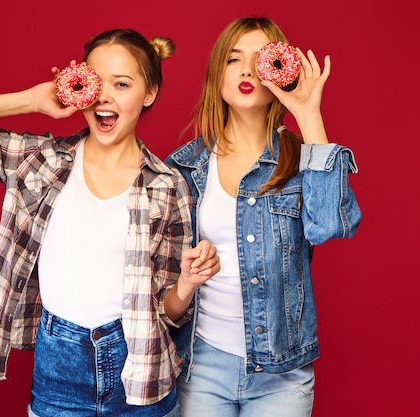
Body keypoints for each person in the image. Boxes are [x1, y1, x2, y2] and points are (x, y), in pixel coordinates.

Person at [0, 28, 219, 417]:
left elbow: (167, 312)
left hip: (141, 372)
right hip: (58, 366)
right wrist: (33, 99)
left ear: (149, 93)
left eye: (122, 83)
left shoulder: (167, 186)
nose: (105, 97)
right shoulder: (39, 161)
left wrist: (188, 284)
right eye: (97, 83)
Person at [165, 17, 362, 417]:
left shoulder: (299, 160)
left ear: (280, 72)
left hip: (282, 373)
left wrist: (308, 115)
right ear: (216, 75)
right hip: (201, 365)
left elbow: (331, 226)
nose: (247, 70)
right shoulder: (184, 169)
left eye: (261, 60)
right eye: (233, 59)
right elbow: (166, 291)